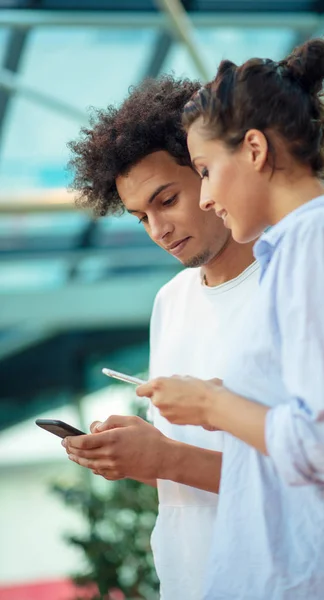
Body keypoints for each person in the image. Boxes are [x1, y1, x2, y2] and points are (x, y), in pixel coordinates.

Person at [137, 37, 324, 599]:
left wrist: (213, 406)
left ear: (254, 149)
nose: (205, 197)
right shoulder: (307, 245)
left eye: (205, 170)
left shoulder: (318, 243)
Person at [63, 76, 260, 600]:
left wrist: (168, 459)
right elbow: (194, 468)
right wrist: (139, 453)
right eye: (140, 217)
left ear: (208, 167)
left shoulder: (300, 286)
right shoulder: (171, 301)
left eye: (167, 199)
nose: (159, 230)